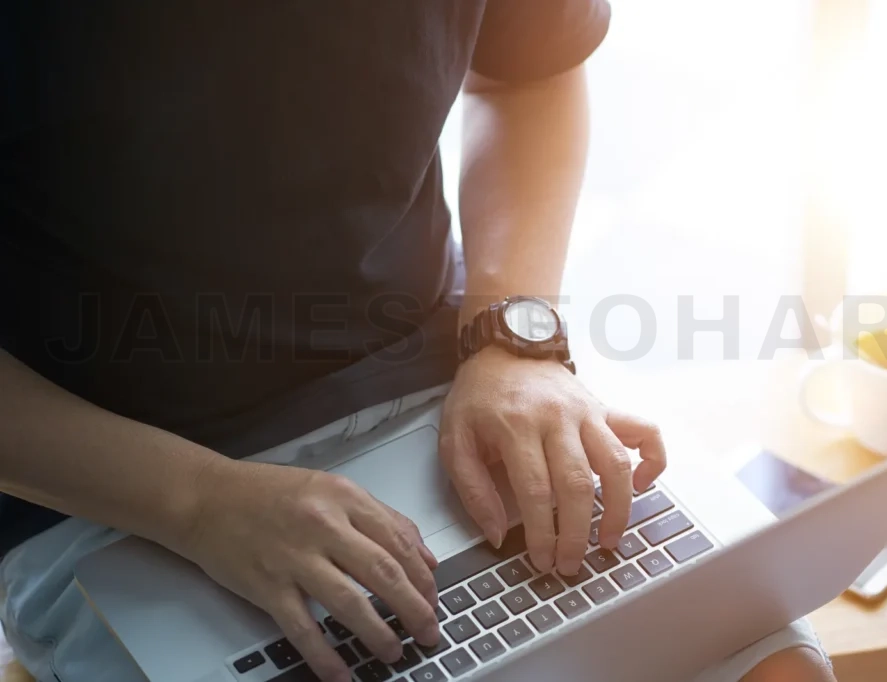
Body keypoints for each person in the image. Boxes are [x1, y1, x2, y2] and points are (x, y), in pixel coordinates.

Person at [0, 2, 834, 681]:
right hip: (112, 484)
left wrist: (512, 339)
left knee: (777, 668)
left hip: (445, 376)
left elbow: (526, 79)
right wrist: (200, 501)